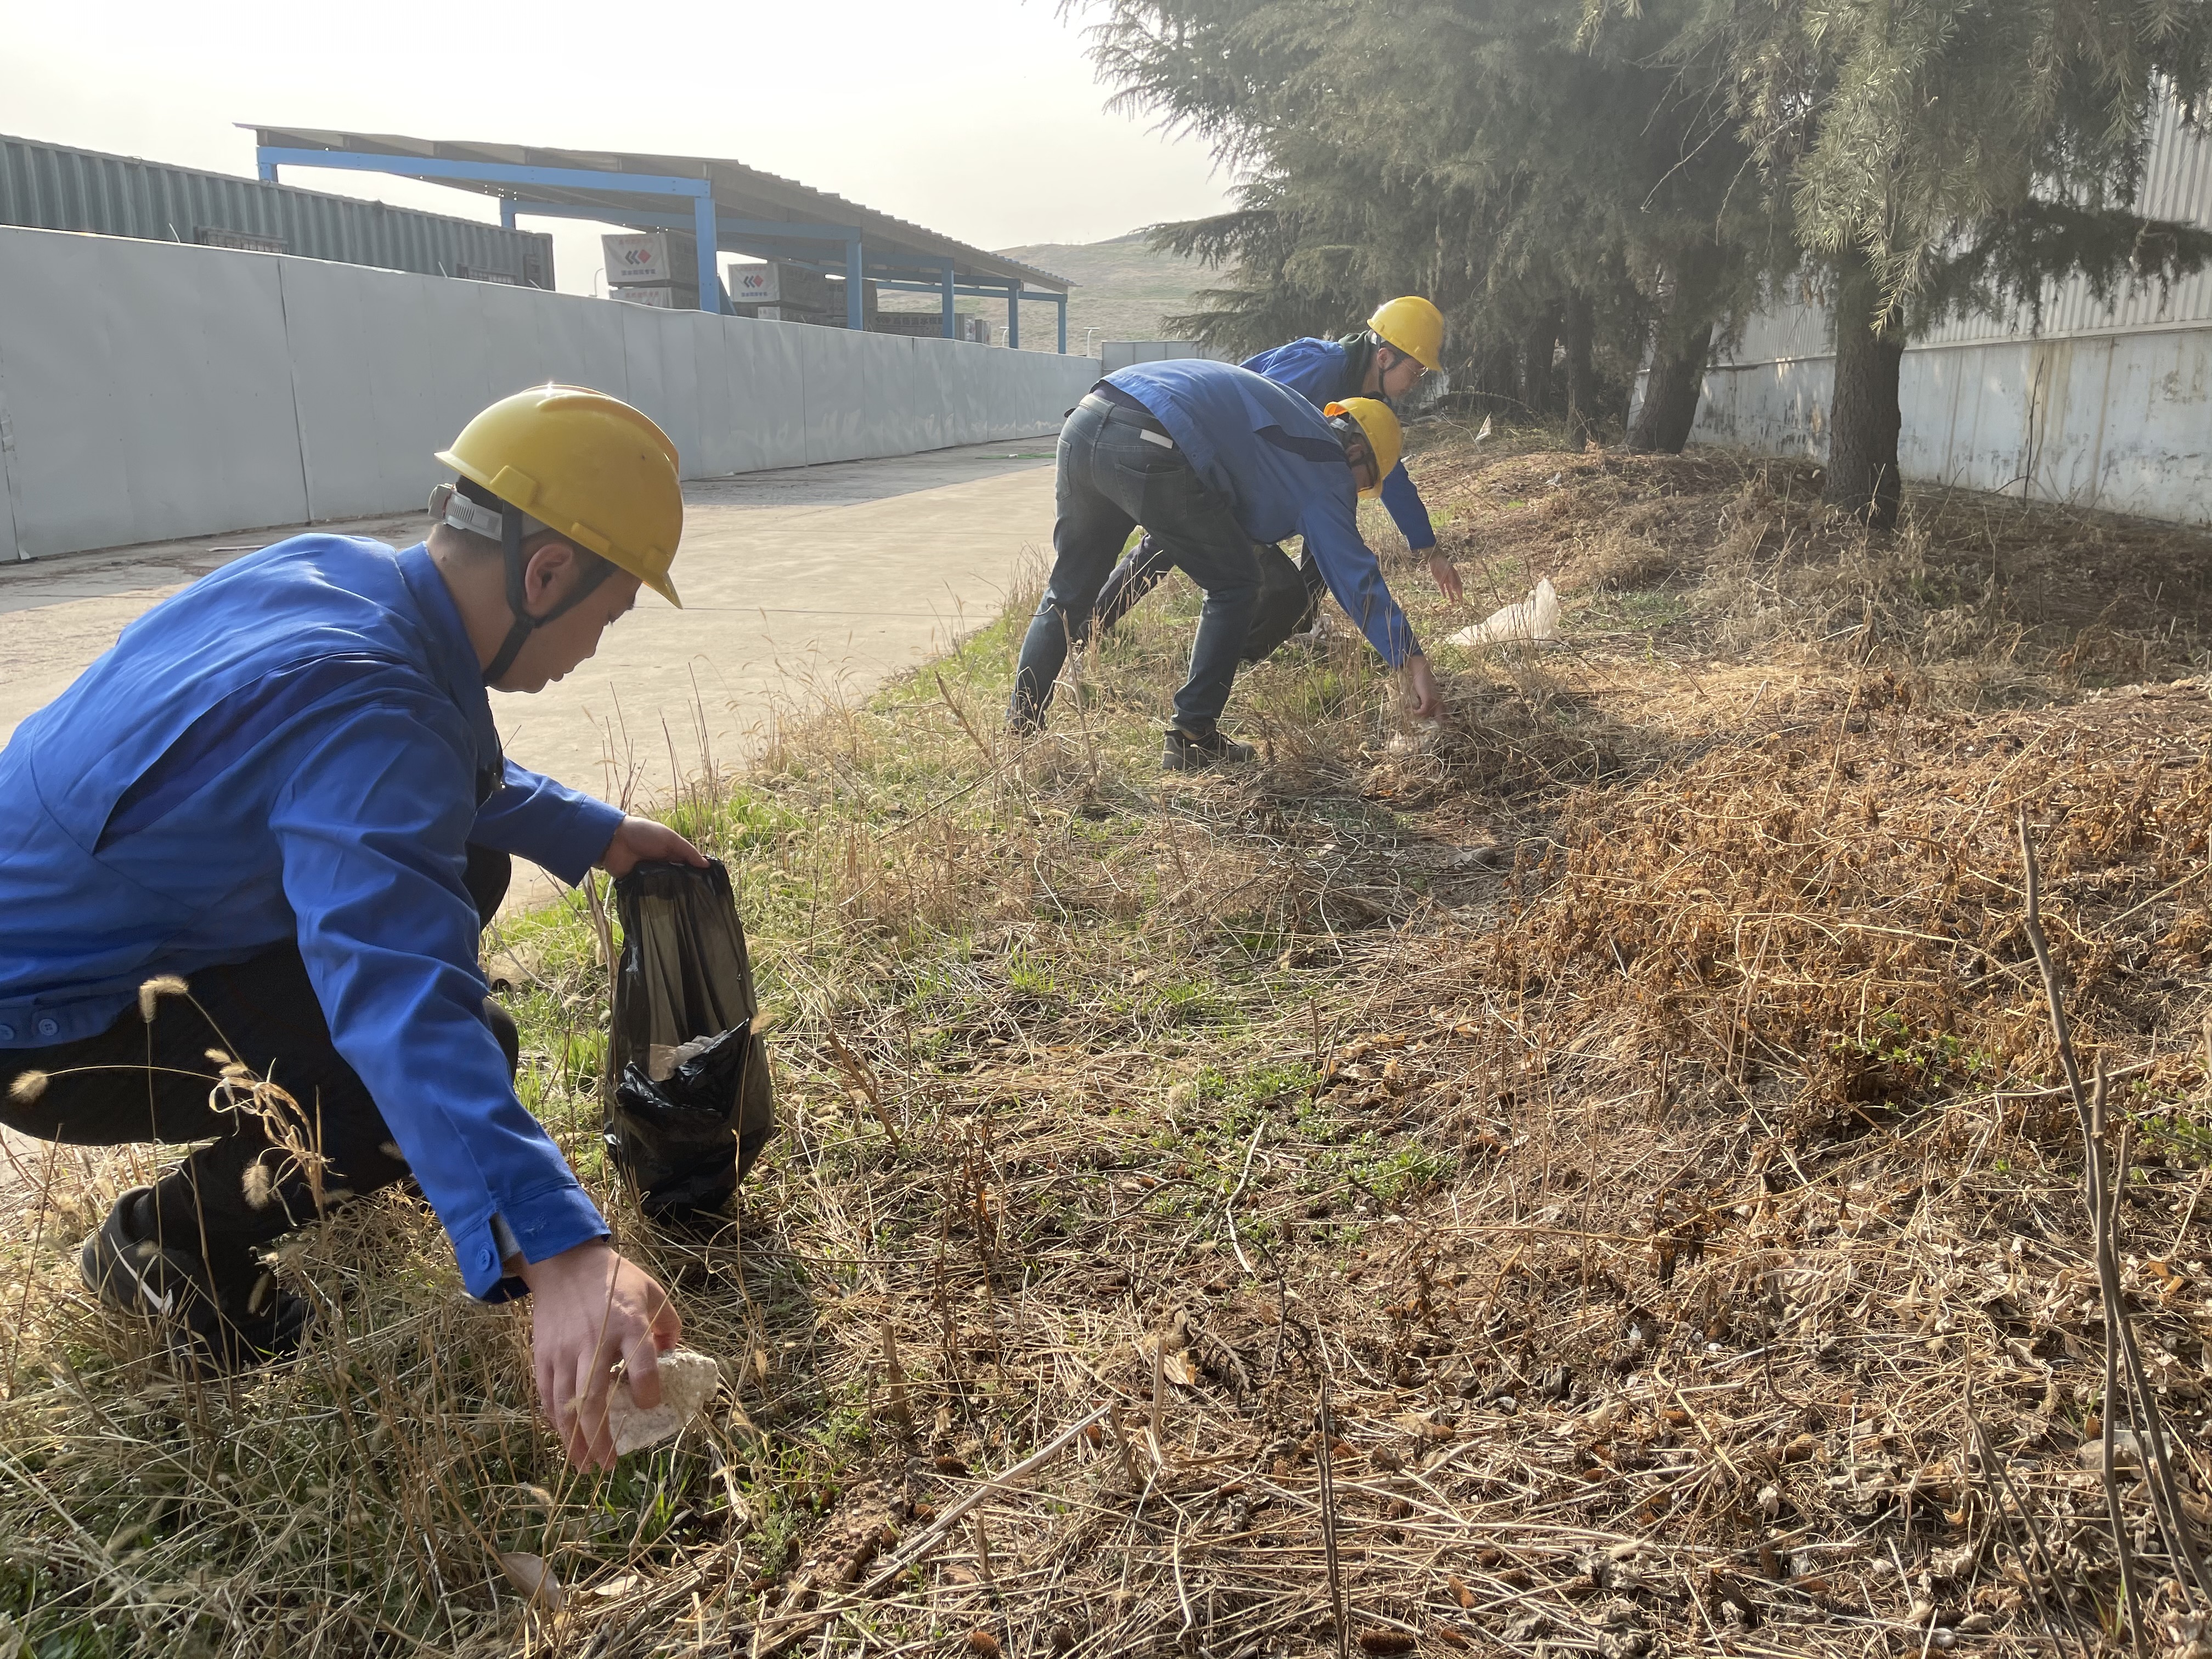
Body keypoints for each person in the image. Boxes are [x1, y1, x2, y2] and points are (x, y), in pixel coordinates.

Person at [0, 385, 695, 1470]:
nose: (595, 648)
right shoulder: (377, 706)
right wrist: (561, 1251)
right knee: (411, 1070)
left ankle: (382, 1149)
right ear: (547, 572)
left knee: (461, 856)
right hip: (42, 1020)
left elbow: (392, 763)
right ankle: (165, 1251)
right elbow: (396, 990)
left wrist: (590, 831)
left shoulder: (339, 575)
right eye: (607, 617)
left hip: (72, 923)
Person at [1007, 359, 1444, 770]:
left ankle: (1018, 730)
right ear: (1356, 455)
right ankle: (1192, 736)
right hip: (1149, 437)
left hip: (1089, 420)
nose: (1353, 496)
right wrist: (1411, 660)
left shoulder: (1292, 426)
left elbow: (1216, 507)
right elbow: (1355, 577)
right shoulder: (1325, 465)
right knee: (1236, 585)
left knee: (1066, 594)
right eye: (1364, 485)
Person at [1093, 297, 1464, 644]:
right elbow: (1246, 419)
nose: (1416, 384)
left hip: (1257, 474)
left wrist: (1429, 549)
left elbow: (1390, 475)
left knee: (1334, 515)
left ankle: (1300, 623)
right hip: (1212, 456)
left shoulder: (1370, 403)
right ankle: (1094, 625)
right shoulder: (1318, 368)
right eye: (1416, 372)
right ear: (1384, 358)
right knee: (1168, 541)